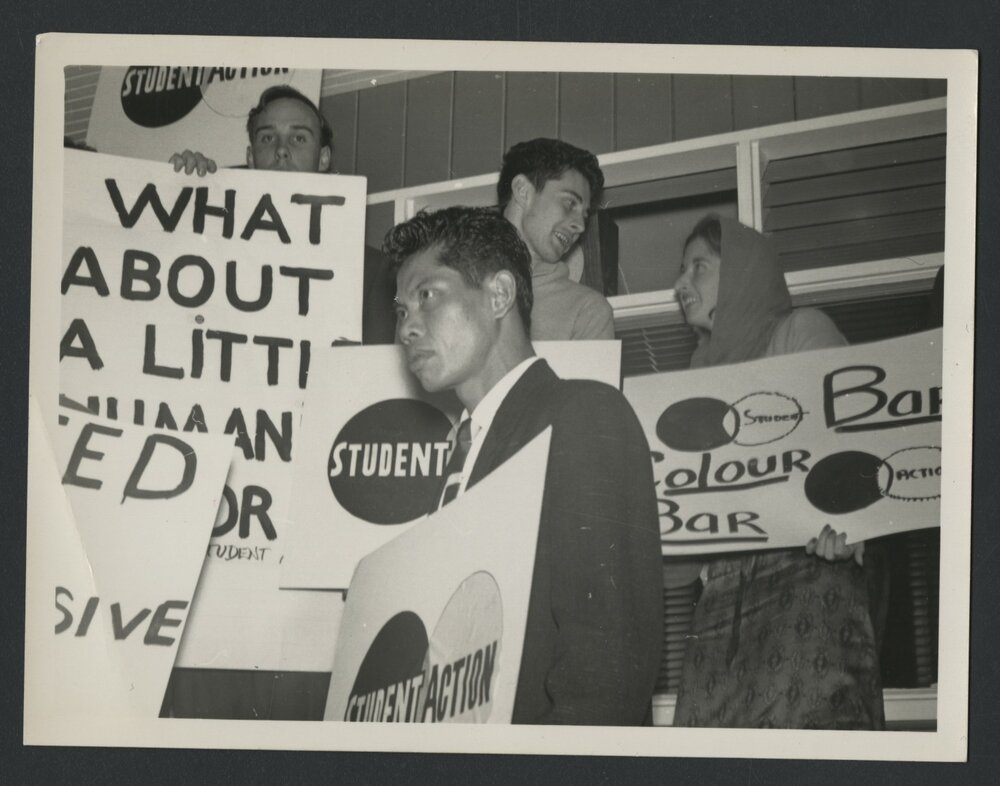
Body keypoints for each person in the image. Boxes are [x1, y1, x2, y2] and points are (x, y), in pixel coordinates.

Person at [385, 206, 663, 725]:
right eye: (401, 310)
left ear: (499, 295)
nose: (406, 328)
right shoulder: (458, 460)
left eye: (427, 296)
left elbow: (607, 664)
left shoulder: (582, 415)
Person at [670, 214, 885, 730]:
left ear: (744, 272)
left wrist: (850, 523)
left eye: (698, 266)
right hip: (721, 603)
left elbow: (850, 445)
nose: (680, 285)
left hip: (804, 581)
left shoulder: (799, 330)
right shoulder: (694, 381)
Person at [169, 84, 397, 345]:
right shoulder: (207, 250)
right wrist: (177, 197)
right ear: (251, 158)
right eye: (267, 138)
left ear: (323, 159)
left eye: (298, 138)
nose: (281, 149)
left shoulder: (369, 270)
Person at [498, 138, 615, 341]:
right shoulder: (455, 283)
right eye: (570, 203)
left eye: (585, 215)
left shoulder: (587, 311)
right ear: (523, 191)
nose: (580, 225)